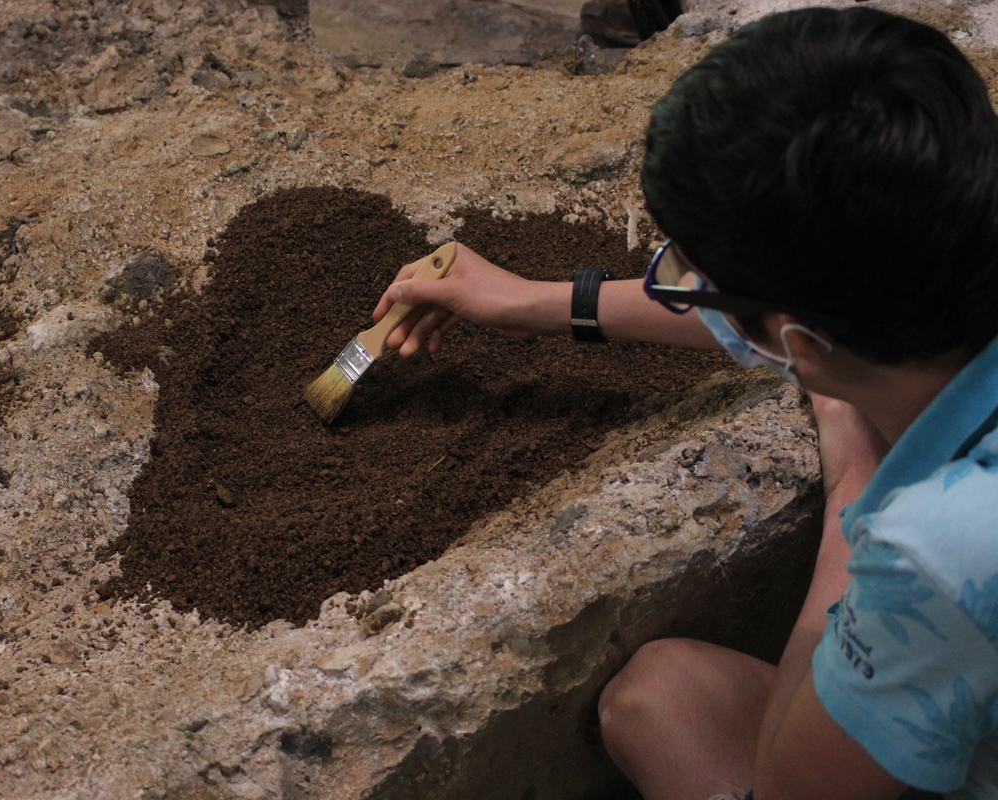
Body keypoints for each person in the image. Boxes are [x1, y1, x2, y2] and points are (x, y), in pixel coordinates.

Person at [370, 7, 998, 800]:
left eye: (691, 272)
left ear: (801, 349)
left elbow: (790, 791)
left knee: (656, 704)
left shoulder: (940, 548)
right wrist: (535, 300)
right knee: (665, 692)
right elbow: (776, 311)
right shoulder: (954, 238)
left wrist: (851, 491)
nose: (688, 291)